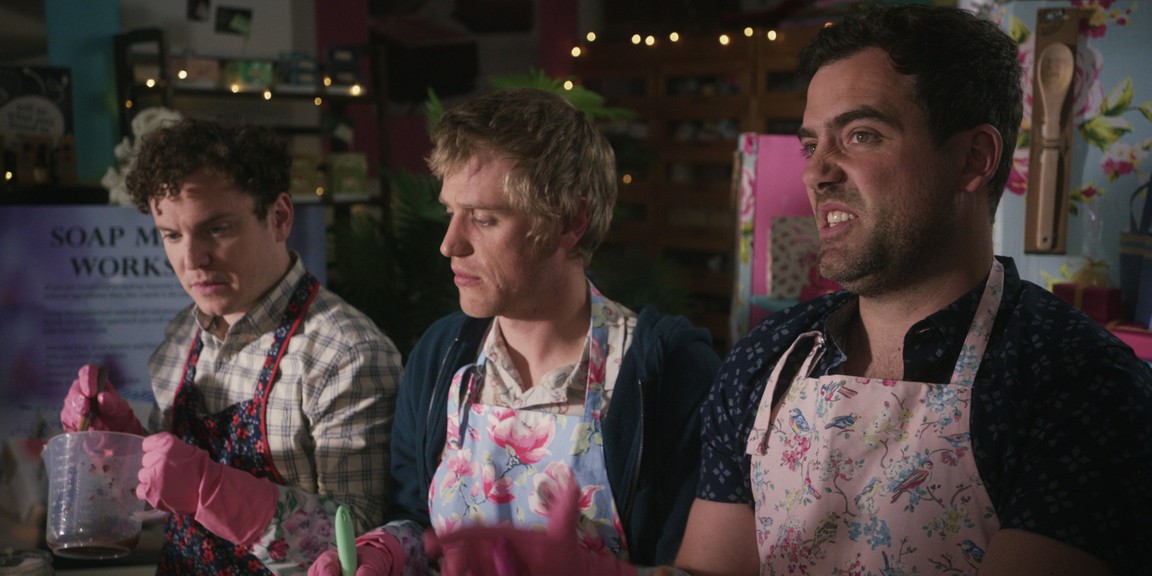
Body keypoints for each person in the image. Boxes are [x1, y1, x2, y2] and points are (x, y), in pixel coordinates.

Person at [669, 4, 1152, 576]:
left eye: (861, 135)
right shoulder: (763, 359)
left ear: (973, 159)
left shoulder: (1078, 386)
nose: (816, 172)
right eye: (811, 145)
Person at [308, 88, 722, 576]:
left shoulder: (666, 373)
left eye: (484, 219)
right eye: (450, 213)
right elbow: (418, 518)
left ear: (570, 223)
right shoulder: (442, 357)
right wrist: (390, 550)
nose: (449, 244)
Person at [58, 119, 403, 575]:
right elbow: (170, 506)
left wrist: (211, 489)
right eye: (172, 235)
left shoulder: (347, 354)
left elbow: (360, 541)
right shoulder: (181, 337)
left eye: (217, 229)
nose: (192, 260)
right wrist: (126, 447)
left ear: (279, 217)